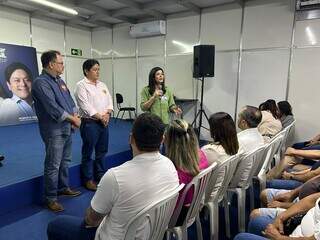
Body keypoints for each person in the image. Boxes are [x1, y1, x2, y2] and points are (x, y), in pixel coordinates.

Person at [47, 113, 179, 240]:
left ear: (131, 139)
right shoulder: (170, 166)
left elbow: (91, 221)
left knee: (56, 224)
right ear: (162, 139)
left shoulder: (115, 177)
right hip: (154, 234)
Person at [32, 50, 81, 212]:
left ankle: (63, 187)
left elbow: (69, 100)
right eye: (60, 62)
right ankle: (51, 198)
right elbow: (52, 108)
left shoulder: (59, 80)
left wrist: (75, 114)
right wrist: (73, 119)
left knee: (65, 161)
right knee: (53, 164)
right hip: (54, 130)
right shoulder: (41, 82)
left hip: (66, 127)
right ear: (51, 64)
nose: (63, 65)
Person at [74, 59, 113, 191]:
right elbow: (85, 106)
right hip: (90, 123)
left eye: (98, 69)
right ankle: (88, 179)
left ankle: (100, 175)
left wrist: (107, 113)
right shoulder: (81, 86)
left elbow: (109, 100)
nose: (98, 72)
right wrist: (100, 117)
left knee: (102, 151)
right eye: (95, 69)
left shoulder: (102, 85)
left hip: (104, 122)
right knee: (88, 152)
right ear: (86, 71)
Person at [165, 119, 209, 225]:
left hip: (178, 216)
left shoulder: (175, 173)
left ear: (169, 141)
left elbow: (169, 208)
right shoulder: (201, 155)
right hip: (194, 207)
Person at [234, 193, 320, 240]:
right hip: (298, 224)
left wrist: (279, 238)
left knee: (240, 237)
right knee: (256, 222)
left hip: (299, 236)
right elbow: (312, 200)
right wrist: (281, 217)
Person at [201, 112, 239, 199]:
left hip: (207, 194)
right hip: (220, 190)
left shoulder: (210, 151)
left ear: (214, 130)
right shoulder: (233, 146)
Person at [230, 105, 265, 187]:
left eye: (239, 117)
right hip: (249, 176)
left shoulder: (239, 140)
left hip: (236, 180)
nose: (237, 119)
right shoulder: (259, 136)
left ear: (243, 122)